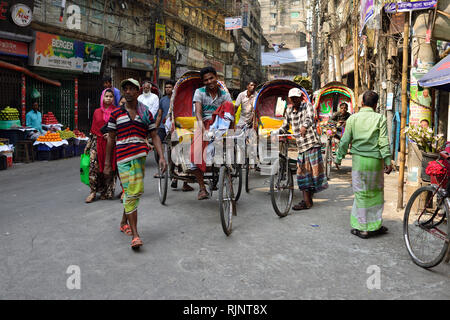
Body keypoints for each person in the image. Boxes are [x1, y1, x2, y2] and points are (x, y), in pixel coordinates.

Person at [104, 78, 167, 250]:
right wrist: (107, 164)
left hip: (139, 158)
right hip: (122, 159)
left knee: (134, 192)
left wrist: (161, 156)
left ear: (138, 91)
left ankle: (124, 221)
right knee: (131, 194)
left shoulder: (146, 113)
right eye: (126, 89)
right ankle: (136, 235)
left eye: (132, 89)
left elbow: (154, 136)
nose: (128, 91)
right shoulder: (116, 113)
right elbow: (110, 138)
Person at [335, 90, 392, 239]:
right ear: (375, 104)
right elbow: (383, 142)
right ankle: (375, 225)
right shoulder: (380, 118)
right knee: (376, 194)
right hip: (375, 162)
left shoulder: (353, 119)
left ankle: (363, 228)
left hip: (359, 162)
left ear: (361, 103)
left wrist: (338, 157)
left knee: (361, 194)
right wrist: (387, 161)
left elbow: (345, 139)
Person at [271, 88, 328, 210]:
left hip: (311, 143)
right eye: (292, 98)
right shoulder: (289, 110)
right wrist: (276, 133)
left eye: (297, 98)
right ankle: (307, 202)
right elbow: (285, 126)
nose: (295, 100)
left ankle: (307, 201)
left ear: (301, 98)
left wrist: (304, 126)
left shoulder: (307, 106)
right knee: (303, 174)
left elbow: (310, 117)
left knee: (312, 174)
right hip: (301, 147)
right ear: (289, 99)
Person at [191, 66, 233, 200]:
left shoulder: (225, 95)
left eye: (211, 78)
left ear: (216, 78)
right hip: (203, 124)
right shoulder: (199, 92)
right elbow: (198, 113)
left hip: (221, 126)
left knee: (231, 153)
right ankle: (202, 188)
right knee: (195, 155)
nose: (209, 81)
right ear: (203, 82)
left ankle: (228, 179)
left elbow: (230, 114)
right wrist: (203, 130)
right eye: (206, 80)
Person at [84, 89, 118, 203]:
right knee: (93, 167)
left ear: (113, 98)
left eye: (111, 96)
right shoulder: (97, 112)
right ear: (102, 97)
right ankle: (93, 191)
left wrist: (112, 134)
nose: (108, 98)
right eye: (106, 96)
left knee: (110, 168)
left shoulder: (116, 111)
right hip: (97, 142)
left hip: (111, 143)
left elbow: (119, 127)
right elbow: (93, 129)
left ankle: (106, 190)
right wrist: (88, 145)